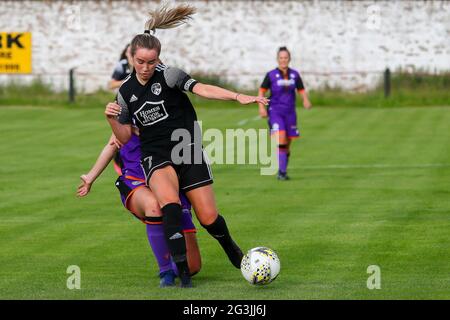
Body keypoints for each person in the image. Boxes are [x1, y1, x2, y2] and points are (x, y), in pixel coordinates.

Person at [104, 4, 269, 288]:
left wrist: (236, 96)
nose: (145, 68)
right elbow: (125, 137)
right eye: (140, 62)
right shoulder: (125, 92)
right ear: (132, 57)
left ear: (159, 58)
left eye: (151, 62)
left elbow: (201, 88)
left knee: (208, 217)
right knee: (168, 206)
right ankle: (182, 277)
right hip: (156, 156)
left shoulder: (170, 75)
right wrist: (112, 119)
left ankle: (231, 248)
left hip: (187, 150)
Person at [77, 129, 201, 287]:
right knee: (154, 206)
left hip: (169, 179)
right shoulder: (127, 109)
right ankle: (166, 271)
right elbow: (112, 143)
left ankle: (174, 259)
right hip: (136, 179)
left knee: (193, 266)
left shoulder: (170, 111)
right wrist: (90, 177)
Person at [258, 46, 312, 180]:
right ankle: (281, 173)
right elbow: (262, 91)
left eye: (285, 58)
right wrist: (261, 107)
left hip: (290, 113)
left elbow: (301, 89)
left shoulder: (295, 74)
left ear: (289, 59)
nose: (283, 60)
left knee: (287, 143)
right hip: (275, 111)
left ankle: (283, 170)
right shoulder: (270, 75)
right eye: (281, 58)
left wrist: (305, 100)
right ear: (277, 59)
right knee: (281, 138)